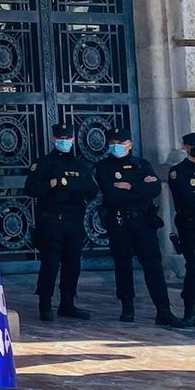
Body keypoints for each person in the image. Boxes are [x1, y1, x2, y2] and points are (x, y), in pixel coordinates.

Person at [95, 128, 189, 327]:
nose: (116, 146)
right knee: (122, 264)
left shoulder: (142, 164)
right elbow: (111, 194)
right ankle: (127, 307)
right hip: (119, 222)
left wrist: (129, 186)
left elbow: (154, 189)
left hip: (143, 222)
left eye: (120, 142)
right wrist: (139, 188)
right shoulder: (103, 167)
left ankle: (163, 310)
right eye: (113, 142)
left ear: (129, 144)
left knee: (153, 265)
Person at [23, 123, 97, 322]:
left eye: (68, 138)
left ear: (73, 139)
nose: (64, 141)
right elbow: (30, 189)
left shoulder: (80, 165)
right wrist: (51, 184)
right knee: (50, 263)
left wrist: (71, 188)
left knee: (73, 263)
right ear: (54, 139)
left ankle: (68, 302)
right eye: (60, 138)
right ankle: (45, 304)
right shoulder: (44, 163)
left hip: (73, 220)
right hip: (51, 221)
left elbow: (91, 190)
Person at [170, 133, 195, 322]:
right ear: (186, 147)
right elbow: (186, 199)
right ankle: (190, 309)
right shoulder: (178, 171)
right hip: (190, 225)